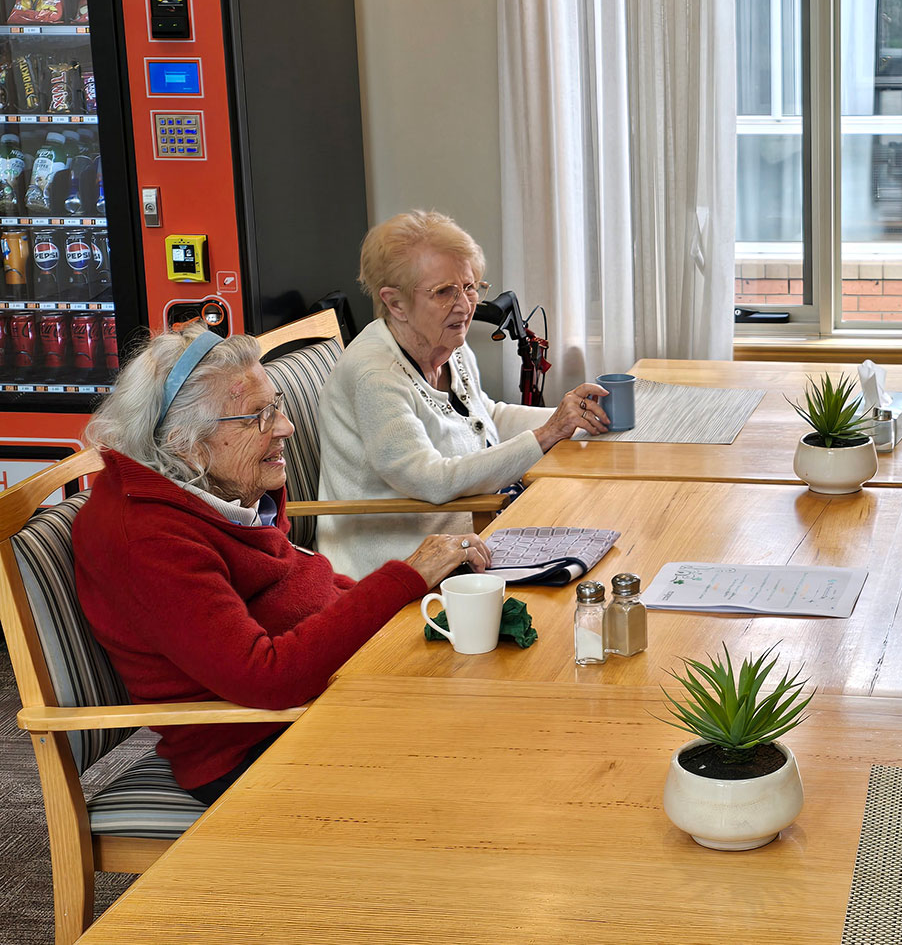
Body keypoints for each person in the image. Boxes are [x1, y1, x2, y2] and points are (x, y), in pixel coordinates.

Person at [73, 324, 489, 803]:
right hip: (256, 747)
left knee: (494, 687)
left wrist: (417, 593)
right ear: (186, 442)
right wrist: (405, 579)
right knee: (479, 751)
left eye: (277, 406)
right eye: (259, 416)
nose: (285, 427)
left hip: (324, 697)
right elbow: (267, 678)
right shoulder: (145, 539)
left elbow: (297, 583)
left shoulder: (213, 486)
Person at [316, 211, 608, 580]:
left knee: (600, 529)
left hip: (471, 533)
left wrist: (575, 415)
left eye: (469, 287)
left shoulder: (446, 343)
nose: (465, 305)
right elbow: (431, 480)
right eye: (444, 292)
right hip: (396, 566)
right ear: (395, 303)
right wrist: (547, 434)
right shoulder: (375, 375)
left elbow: (487, 415)